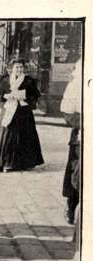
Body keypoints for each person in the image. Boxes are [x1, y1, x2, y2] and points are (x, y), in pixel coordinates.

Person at [0, 58, 44, 172]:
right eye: (17, 67)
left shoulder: (29, 80)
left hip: (23, 112)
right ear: (11, 68)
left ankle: (24, 162)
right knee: (7, 135)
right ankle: (4, 162)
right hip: (9, 110)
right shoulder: (6, 80)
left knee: (24, 135)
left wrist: (25, 97)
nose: (19, 69)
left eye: (21, 67)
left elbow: (36, 95)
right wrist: (6, 96)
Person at [61, 62, 81, 226]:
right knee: (77, 173)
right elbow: (67, 111)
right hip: (82, 135)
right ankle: (72, 207)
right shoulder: (77, 82)